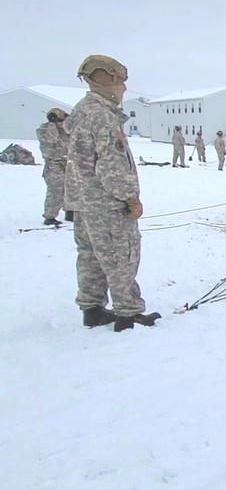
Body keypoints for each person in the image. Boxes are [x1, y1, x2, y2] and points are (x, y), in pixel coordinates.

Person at [64, 54, 160, 331]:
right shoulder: (103, 117)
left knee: (92, 256)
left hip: (84, 203)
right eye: (120, 81)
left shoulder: (81, 113)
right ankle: (126, 314)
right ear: (106, 79)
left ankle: (92, 310)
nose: (124, 88)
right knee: (122, 256)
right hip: (107, 204)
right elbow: (111, 165)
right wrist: (129, 197)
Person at [35, 107, 73, 226]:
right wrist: (52, 124)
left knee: (73, 189)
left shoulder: (67, 131)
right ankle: (50, 216)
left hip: (69, 163)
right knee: (57, 189)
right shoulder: (45, 130)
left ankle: (70, 212)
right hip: (53, 164)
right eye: (60, 121)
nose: (63, 124)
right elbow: (51, 140)